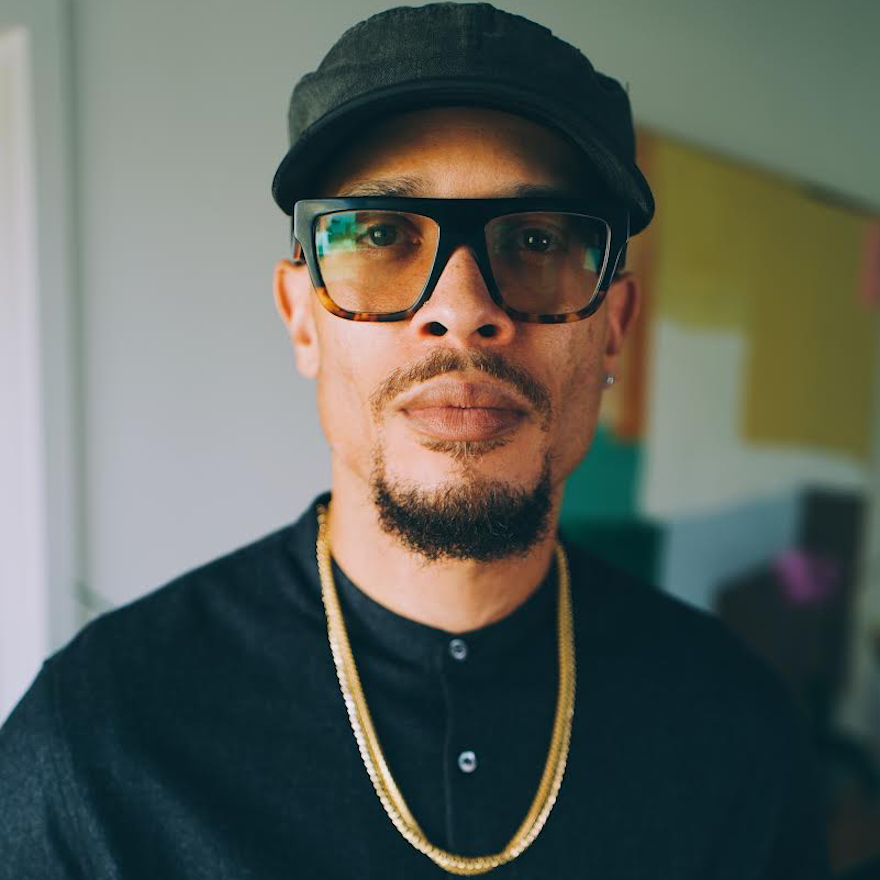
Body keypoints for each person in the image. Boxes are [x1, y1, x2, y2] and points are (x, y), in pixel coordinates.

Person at [0, 4, 832, 877]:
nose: (462, 308)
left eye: (537, 238)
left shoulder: (739, 731)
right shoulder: (95, 744)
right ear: (303, 319)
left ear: (614, 329)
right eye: (381, 234)